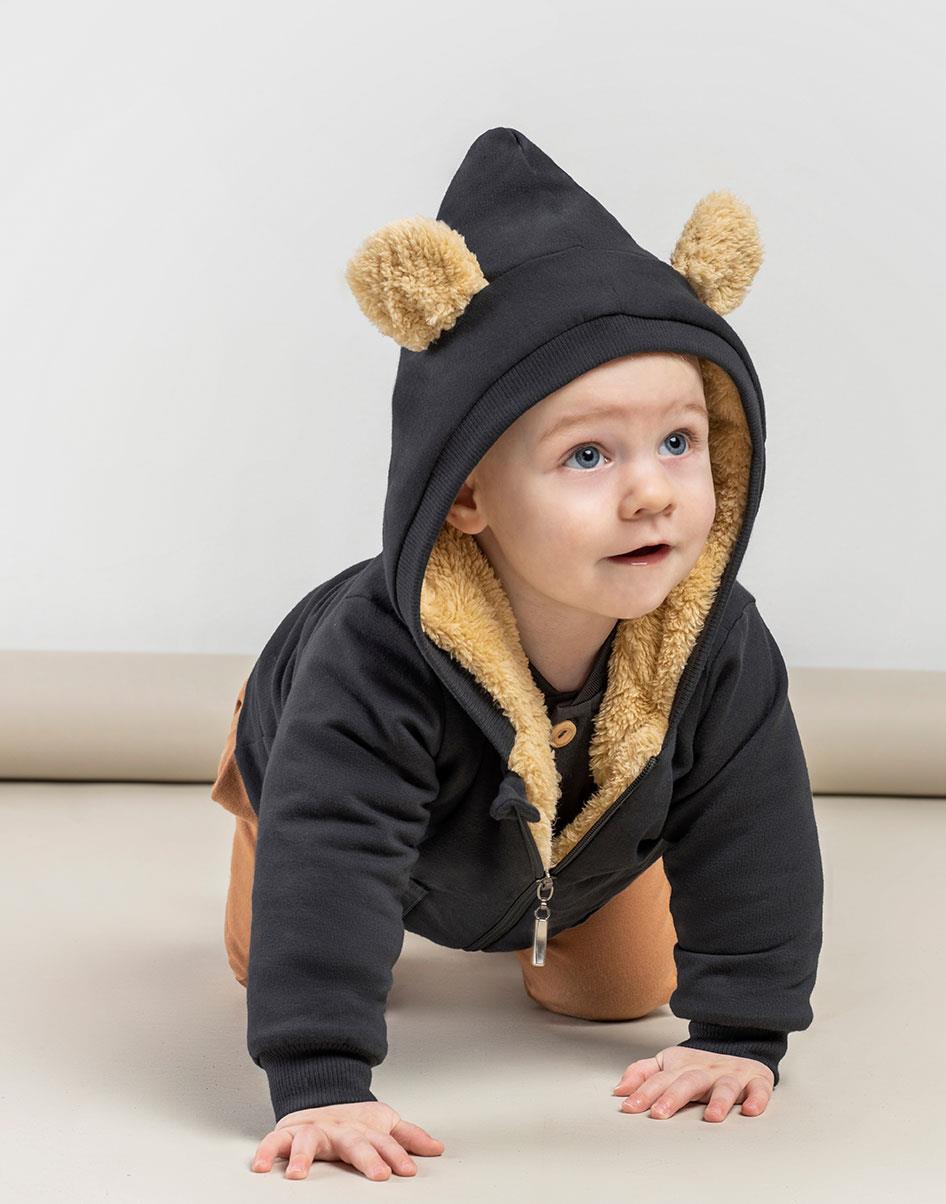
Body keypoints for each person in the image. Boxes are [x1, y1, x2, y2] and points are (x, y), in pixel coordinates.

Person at [210, 126, 824, 1182]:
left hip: (574, 838)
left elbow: (753, 826)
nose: (651, 490)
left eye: (679, 441)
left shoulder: (716, 642)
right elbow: (335, 847)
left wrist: (740, 1030)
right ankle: (259, 814)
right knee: (275, 941)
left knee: (617, 995)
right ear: (466, 494)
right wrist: (321, 1074)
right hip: (321, 784)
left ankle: (550, 917)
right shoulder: (371, 660)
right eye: (587, 454)